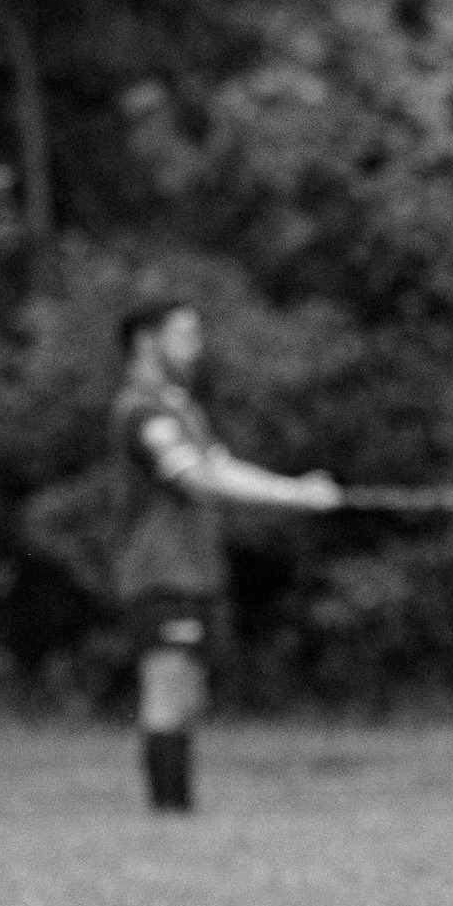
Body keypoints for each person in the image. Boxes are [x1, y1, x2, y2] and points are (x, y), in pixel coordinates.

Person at [111, 300, 339, 812]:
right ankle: (169, 818)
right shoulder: (141, 410)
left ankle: (177, 816)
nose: (198, 346)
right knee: (167, 694)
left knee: (189, 698)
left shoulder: (179, 407)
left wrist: (293, 490)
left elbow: (219, 465)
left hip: (195, 574)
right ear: (147, 341)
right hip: (160, 575)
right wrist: (293, 497)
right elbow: (197, 478)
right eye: (185, 334)